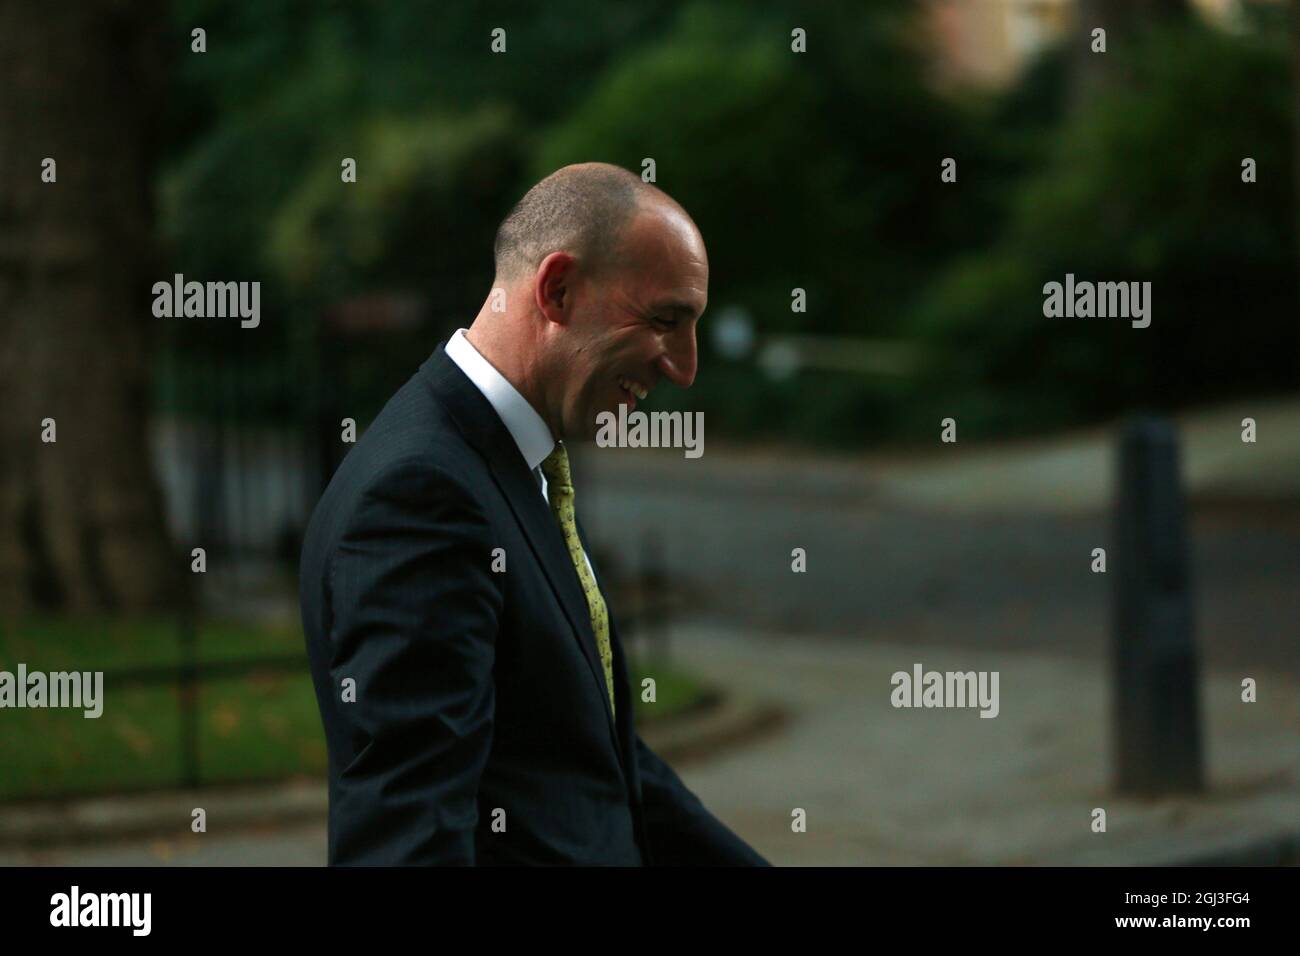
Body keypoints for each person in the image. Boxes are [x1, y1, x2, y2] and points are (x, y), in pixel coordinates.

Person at [299, 162, 770, 866]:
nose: (684, 367)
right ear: (556, 289)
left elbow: (599, 766)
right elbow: (409, 840)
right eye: (665, 320)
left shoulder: (503, 464)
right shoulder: (422, 495)